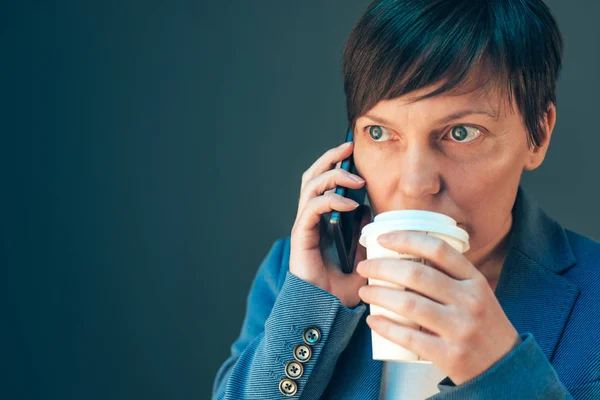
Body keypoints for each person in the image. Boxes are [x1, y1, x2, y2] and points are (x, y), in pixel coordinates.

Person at [212, 0, 600, 398]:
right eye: (379, 133)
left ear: (538, 133)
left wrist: (503, 373)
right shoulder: (296, 274)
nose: (415, 184)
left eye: (462, 132)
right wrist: (311, 306)